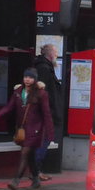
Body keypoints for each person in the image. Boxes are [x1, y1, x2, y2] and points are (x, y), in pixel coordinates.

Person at [0, 67, 53, 190]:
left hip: (36, 130)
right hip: (23, 129)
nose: (27, 80)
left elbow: (46, 114)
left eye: (30, 77)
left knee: (24, 153)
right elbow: (9, 107)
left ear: (35, 79)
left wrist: (50, 133)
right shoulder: (18, 92)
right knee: (30, 156)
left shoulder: (41, 94)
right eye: (26, 77)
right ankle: (35, 180)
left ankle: (15, 181)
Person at [33, 45, 64, 180]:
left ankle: (36, 169)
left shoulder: (45, 67)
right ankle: (36, 170)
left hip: (47, 110)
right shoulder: (44, 69)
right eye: (56, 53)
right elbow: (45, 92)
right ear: (50, 54)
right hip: (45, 112)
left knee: (45, 139)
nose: (57, 55)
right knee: (45, 139)